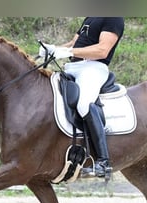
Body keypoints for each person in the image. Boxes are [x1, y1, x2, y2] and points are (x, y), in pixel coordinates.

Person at [39, 17, 125, 178]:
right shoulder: (91, 16)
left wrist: (68, 52)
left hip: (93, 68)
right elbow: (74, 43)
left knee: (84, 104)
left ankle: (103, 162)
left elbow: (102, 50)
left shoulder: (114, 17)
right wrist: (54, 49)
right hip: (73, 67)